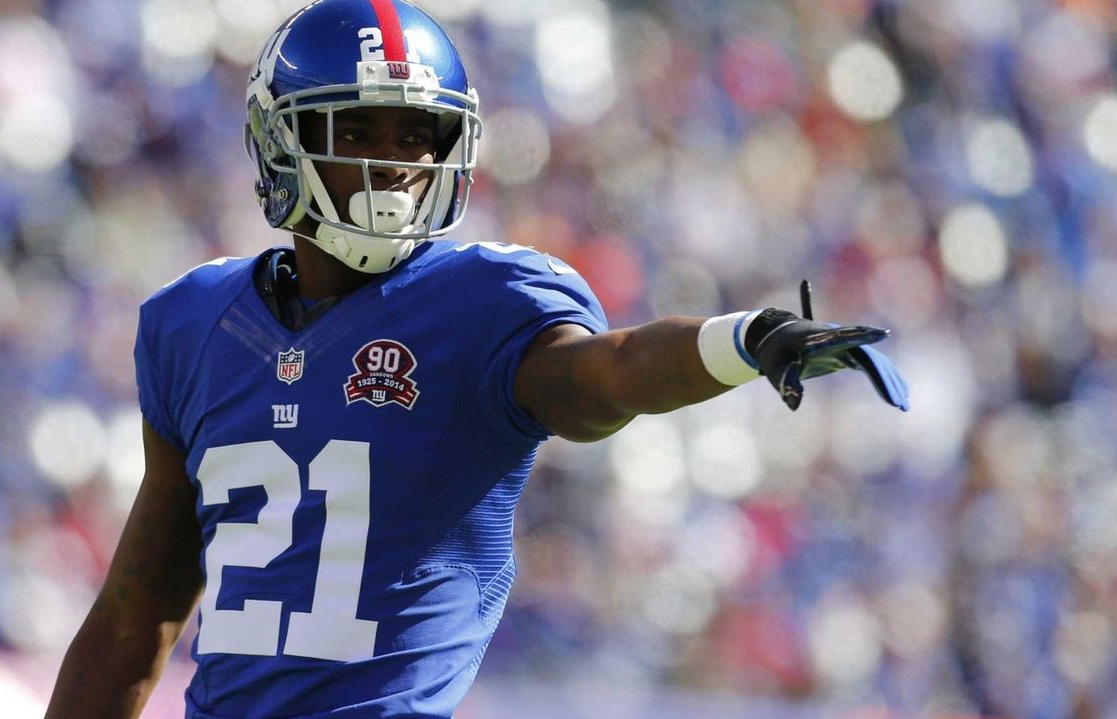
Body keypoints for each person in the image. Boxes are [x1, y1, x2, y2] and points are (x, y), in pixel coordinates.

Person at [45, 1, 908, 717]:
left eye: (419, 134)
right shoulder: (193, 324)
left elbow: (607, 375)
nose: (398, 162)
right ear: (283, 139)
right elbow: (134, 620)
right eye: (362, 129)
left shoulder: (481, 302)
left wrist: (741, 339)